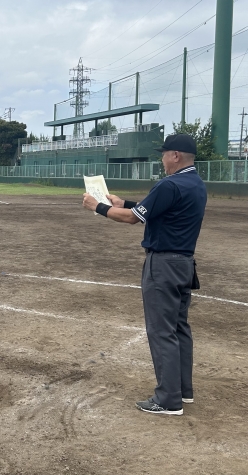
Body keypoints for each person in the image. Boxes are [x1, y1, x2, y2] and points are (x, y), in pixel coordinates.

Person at [82, 133, 206, 416]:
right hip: (184, 264)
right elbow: (158, 209)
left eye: (164, 154)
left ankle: (168, 399)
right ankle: (183, 390)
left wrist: (97, 206)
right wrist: (124, 202)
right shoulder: (196, 183)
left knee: (162, 331)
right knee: (179, 328)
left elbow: (132, 218)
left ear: (175, 155)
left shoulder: (169, 184)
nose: (162, 159)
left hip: (163, 265)